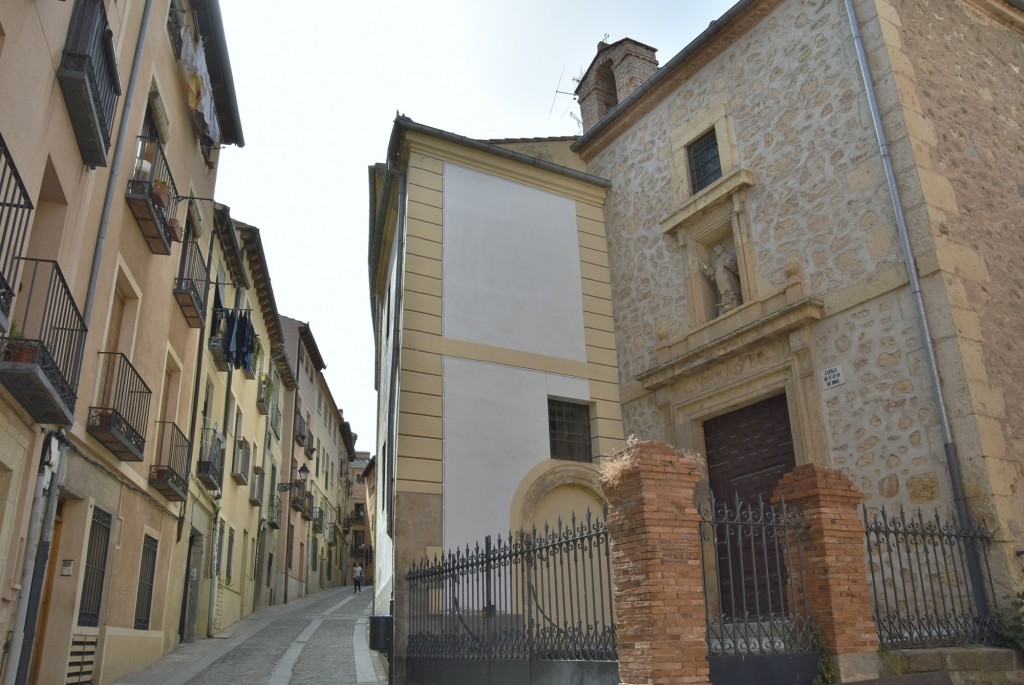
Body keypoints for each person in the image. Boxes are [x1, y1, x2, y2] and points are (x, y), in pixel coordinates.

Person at [700, 243, 742, 313]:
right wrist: (707, 269)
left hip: (727, 275)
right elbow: (712, 272)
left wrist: (728, 263)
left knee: (728, 284)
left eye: (718, 249)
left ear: (723, 249)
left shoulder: (728, 256)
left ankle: (732, 297)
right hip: (719, 278)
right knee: (722, 286)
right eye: (715, 250)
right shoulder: (716, 262)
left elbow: (733, 264)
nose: (716, 251)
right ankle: (725, 299)